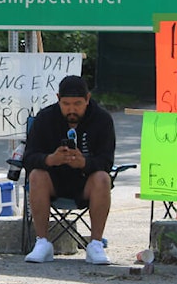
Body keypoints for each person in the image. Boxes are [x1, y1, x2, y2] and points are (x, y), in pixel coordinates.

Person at [22, 75, 115, 265]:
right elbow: (29, 158)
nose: (72, 109)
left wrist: (84, 163)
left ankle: (95, 243)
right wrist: (50, 159)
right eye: (66, 103)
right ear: (58, 98)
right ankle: (42, 242)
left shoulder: (102, 119)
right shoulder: (45, 117)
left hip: (85, 182)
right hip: (53, 181)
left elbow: (106, 161)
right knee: (36, 175)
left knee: (103, 178)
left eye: (77, 104)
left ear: (88, 99)